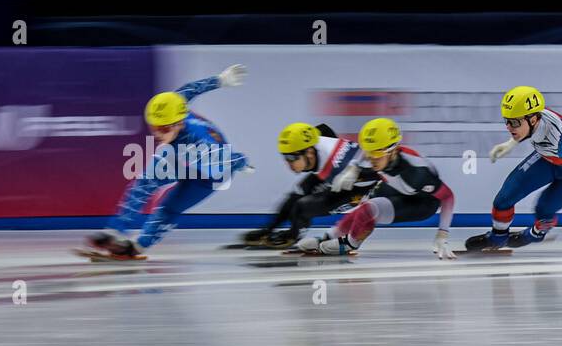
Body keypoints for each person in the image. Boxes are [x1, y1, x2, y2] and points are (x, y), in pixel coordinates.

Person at [84, 64, 248, 259]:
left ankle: (138, 247)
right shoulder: (173, 105)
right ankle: (116, 231)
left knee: (169, 207)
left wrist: (242, 162)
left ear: (178, 123)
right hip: (181, 153)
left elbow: (229, 160)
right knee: (143, 184)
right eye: (153, 128)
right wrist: (220, 80)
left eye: (162, 130)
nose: (157, 134)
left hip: (211, 171)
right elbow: (191, 88)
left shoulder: (201, 141)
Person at [465, 86, 562, 251]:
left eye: (514, 123)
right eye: (507, 121)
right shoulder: (533, 113)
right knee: (504, 198)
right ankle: (498, 238)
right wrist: (510, 143)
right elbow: (525, 127)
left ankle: (534, 235)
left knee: (543, 209)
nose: (509, 127)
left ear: (533, 120)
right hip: (549, 159)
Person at [295, 118, 456, 259]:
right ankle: (329, 235)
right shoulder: (381, 154)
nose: (371, 158)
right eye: (369, 152)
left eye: (376, 153)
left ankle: (350, 243)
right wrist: (354, 167)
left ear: (392, 151)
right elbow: (365, 151)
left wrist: (443, 233)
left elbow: (448, 197)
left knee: (370, 208)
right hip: (395, 184)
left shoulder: (417, 174)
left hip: (423, 202)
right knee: (364, 205)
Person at [240, 122, 377, 249]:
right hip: (339, 172)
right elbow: (324, 128)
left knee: (303, 206)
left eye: (292, 158)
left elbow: (378, 173)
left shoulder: (337, 167)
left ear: (310, 153)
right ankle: (268, 230)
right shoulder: (316, 137)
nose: (288, 164)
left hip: (362, 187)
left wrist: (358, 171)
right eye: (285, 158)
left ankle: (293, 235)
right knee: (297, 193)